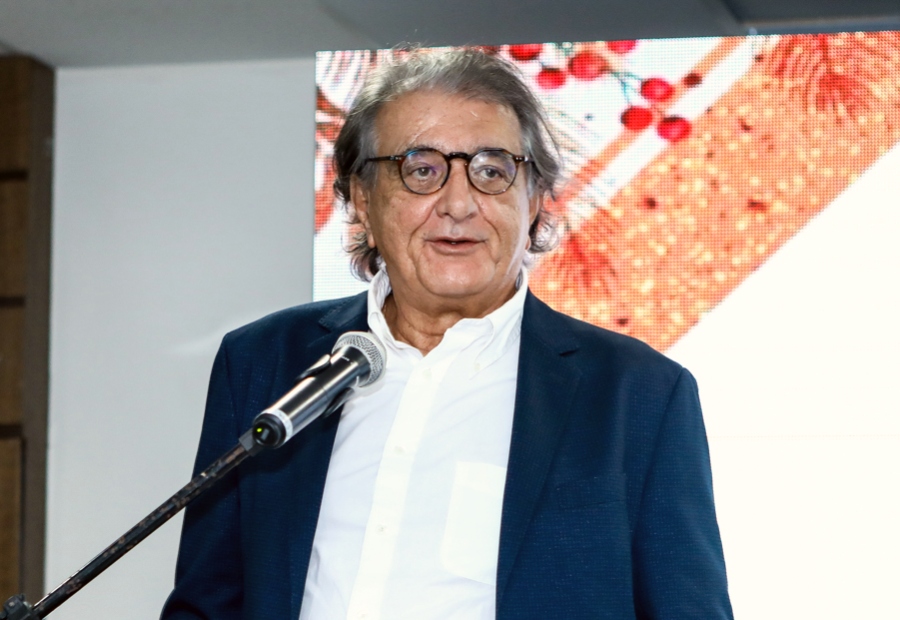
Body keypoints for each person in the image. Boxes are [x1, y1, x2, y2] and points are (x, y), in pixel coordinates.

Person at [161, 48, 733, 620]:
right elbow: (206, 604)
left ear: (534, 201)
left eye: (492, 171)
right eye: (421, 170)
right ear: (363, 199)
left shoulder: (639, 395)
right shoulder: (263, 362)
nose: (458, 205)